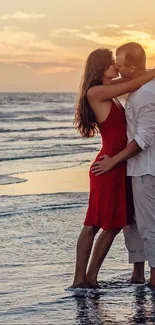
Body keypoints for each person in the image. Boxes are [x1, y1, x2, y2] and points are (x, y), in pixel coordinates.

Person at [72, 47, 155, 288]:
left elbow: (134, 76)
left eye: (116, 63)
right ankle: (82, 279)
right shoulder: (97, 92)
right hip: (108, 164)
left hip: (117, 164)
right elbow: (134, 81)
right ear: (100, 68)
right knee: (95, 224)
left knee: (111, 223)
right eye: (111, 64)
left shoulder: (108, 90)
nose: (115, 67)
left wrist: (139, 70)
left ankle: (89, 278)